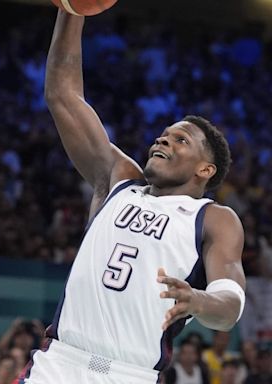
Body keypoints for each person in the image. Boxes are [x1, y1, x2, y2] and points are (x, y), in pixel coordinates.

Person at [18, 10, 246, 384]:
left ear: (205, 170)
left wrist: (199, 301)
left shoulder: (213, 218)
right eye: (164, 134)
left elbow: (231, 305)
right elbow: (62, 95)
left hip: (129, 374)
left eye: (180, 140)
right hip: (58, 364)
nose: (163, 139)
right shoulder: (119, 180)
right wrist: (71, 11)